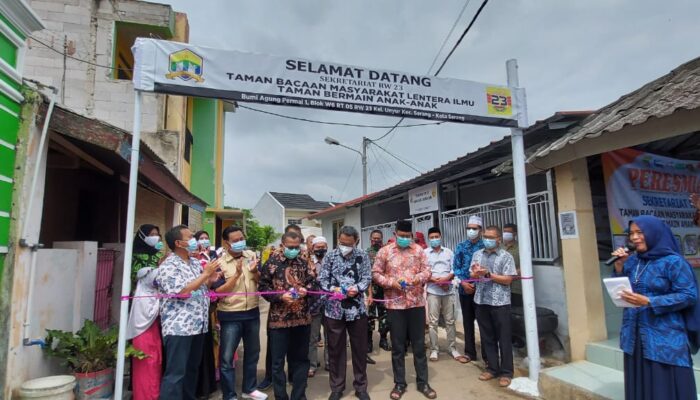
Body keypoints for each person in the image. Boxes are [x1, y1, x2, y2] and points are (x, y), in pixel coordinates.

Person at [610, 216, 698, 399]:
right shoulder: (633, 261)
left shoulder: (673, 262)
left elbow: (689, 296)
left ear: (654, 233)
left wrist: (650, 301)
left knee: (663, 388)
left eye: (639, 232)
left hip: (664, 338)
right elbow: (624, 288)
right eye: (631, 233)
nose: (634, 238)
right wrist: (619, 266)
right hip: (635, 336)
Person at [372, 220, 436, 400]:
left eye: (407, 236)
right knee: (398, 346)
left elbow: (427, 271)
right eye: (401, 236)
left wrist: (417, 279)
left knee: (418, 345)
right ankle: (400, 383)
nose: (404, 239)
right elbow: (376, 273)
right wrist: (391, 283)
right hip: (395, 304)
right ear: (395, 234)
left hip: (416, 303)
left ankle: (423, 382)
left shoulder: (419, 251)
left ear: (412, 235)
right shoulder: (385, 251)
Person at [156, 225, 221, 400]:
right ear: (178, 243)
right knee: (176, 373)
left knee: (192, 370)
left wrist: (210, 279)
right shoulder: (168, 265)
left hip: (198, 325)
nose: (195, 241)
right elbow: (181, 291)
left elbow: (200, 287)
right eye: (190, 237)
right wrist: (205, 274)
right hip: (179, 328)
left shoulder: (193, 263)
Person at [258, 231, 316, 400]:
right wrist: (280, 296)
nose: (294, 250)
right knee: (277, 363)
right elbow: (263, 287)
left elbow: (313, 282)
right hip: (279, 321)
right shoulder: (271, 263)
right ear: (282, 245)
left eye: (297, 247)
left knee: (300, 360)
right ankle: (281, 396)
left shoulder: (304, 263)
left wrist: (306, 290)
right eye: (290, 247)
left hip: (302, 319)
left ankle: (299, 395)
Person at [214, 226, 268, 400]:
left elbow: (260, 283)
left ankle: (249, 389)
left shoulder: (251, 256)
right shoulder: (219, 263)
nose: (239, 242)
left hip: (252, 312)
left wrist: (255, 272)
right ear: (226, 243)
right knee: (227, 358)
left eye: (241, 239)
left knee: (253, 353)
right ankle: (229, 395)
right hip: (230, 314)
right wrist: (236, 275)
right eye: (235, 240)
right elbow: (219, 292)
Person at [319, 226, 372, 400]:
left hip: (357, 310)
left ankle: (361, 386)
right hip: (334, 310)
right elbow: (322, 279)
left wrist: (356, 289)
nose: (344, 246)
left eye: (348, 243)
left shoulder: (362, 256)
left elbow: (367, 278)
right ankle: (337, 387)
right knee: (336, 350)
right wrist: (333, 289)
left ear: (356, 241)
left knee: (359, 349)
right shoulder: (330, 256)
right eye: (342, 243)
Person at [470, 226, 517, 388]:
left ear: (498, 239)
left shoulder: (506, 256)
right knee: (486, 336)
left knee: (503, 338)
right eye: (485, 236)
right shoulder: (477, 254)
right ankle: (492, 368)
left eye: (491, 237)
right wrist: (476, 273)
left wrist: (489, 275)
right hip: (481, 300)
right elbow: (472, 273)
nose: (487, 240)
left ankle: (506, 372)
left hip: (500, 302)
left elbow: (508, 279)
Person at [424, 227, 467, 364]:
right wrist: (434, 280)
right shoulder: (425, 253)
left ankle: (452, 348)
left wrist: (447, 279)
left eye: (437, 236)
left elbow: (455, 268)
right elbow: (423, 271)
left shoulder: (449, 252)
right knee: (433, 322)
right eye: (432, 237)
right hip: (433, 291)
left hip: (448, 290)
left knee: (450, 321)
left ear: (441, 237)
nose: (434, 239)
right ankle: (434, 349)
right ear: (428, 238)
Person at [127, 254, 162, 400]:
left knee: (155, 364)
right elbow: (148, 314)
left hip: (153, 333)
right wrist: (160, 301)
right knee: (146, 366)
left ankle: (155, 394)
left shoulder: (152, 291)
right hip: (143, 334)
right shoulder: (141, 296)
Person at [453, 215, 485, 363]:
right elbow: (456, 267)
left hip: (482, 291)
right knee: (467, 322)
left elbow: (487, 269)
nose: (471, 231)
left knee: (484, 323)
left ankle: (487, 356)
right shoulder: (460, 246)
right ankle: (470, 353)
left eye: (474, 228)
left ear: (480, 230)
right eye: (469, 228)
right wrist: (464, 283)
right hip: (464, 290)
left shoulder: (485, 247)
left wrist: (476, 284)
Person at [192, 230, 218, 399]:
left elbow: (207, 282)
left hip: (204, 312)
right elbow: (184, 289)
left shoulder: (211, 257)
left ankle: (206, 385)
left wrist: (211, 279)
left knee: (206, 348)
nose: (203, 241)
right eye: (199, 238)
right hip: (186, 319)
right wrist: (207, 275)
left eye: (205, 238)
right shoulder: (191, 261)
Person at [307, 236, 329, 378]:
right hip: (313, 305)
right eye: (318, 247)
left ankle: (329, 362)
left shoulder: (331, 261)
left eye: (323, 247)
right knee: (313, 338)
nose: (321, 250)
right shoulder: (307, 263)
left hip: (329, 304)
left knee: (330, 336)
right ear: (312, 248)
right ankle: (312, 365)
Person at [366, 230, 391, 352]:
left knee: (384, 315)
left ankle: (383, 339)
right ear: (370, 238)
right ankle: (368, 342)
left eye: (378, 238)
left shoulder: (386, 252)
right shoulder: (366, 253)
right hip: (370, 290)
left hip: (384, 290)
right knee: (369, 316)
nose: (376, 240)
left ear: (382, 239)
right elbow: (365, 274)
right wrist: (369, 292)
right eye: (374, 238)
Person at [131, 224, 163, 290]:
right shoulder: (135, 255)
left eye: (156, 234)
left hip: (157, 294)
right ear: (142, 236)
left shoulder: (158, 254)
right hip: (140, 294)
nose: (155, 237)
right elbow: (134, 277)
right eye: (151, 234)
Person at [502, 223, 521, 307]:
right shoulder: (499, 247)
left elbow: (524, 267)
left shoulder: (521, 248)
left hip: (516, 288)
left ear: (515, 233)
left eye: (508, 232)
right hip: (501, 287)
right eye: (504, 231)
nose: (506, 234)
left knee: (516, 312)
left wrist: (509, 275)